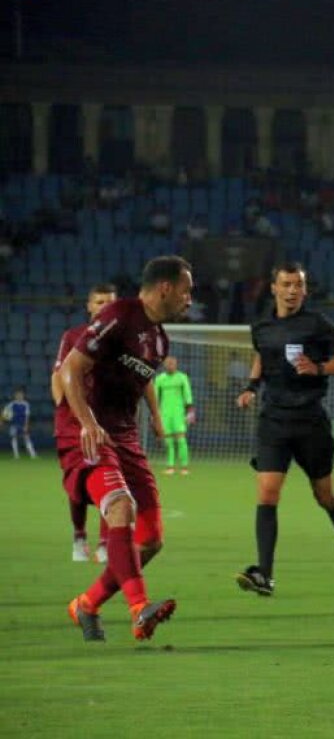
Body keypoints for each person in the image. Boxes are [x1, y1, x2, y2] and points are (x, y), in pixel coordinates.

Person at [58, 257, 193, 642]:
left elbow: (140, 384)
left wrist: (152, 414)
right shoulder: (120, 314)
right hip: (86, 430)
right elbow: (70, 369)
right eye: (187, 289)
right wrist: (86, 422)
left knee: (150, 540)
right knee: (120, 506)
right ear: (165, 287)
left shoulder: (161, 338)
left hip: (124, 435)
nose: (190, 298)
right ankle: (139, 609)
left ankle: (86, 603)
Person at [234, 262, 334, 597]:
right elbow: (262, 356)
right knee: (267, 492)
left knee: (325, 496)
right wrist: (251, 386)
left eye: (298, 285)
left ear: (305, 290)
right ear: (274, 288)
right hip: (273, 420)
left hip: (310, 422)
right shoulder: (261, 326)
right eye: (286, 284)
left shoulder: (317, 324)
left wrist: (319, 367)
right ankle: (265, 574)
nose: (292, 291)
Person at [53, 283, 118, 562]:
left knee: (114, 480)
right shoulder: (74, 336)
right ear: (90, 306)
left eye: (110, 302)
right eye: (99, 302)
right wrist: (66, 409)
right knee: (78, 482)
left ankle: (105, 544)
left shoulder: (121, 340)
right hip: (75, 423)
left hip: (108, 421)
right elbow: (59, 376)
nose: (104, 307)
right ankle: (79, 536)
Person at [154, 356, 195, 475]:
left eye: (172, 364)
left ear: (176, 365)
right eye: (168, 364)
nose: (170, 366)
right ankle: (170, 466)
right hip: (165, 412)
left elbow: (188, 395)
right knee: (168, 441)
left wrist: (190, 410)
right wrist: (155, 414)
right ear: (164, 365)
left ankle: (184, 466)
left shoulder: (182, 378)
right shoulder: (160, 379)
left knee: (181, 439)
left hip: (179, 412)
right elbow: (156, 397)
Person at [3, 387, 35, 458]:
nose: (19, 396)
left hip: (22, 424)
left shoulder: (25, 404)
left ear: (23, 396)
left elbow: (27, 415)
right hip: (14, 424)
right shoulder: (11, 404)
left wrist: (26, 425)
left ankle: (32, 454)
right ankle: (16, 455)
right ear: (15, 396)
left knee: (26, 438)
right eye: (18, 395)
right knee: (14, 438)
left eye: (21, 395)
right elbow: (5, 413)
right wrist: (4, 418)